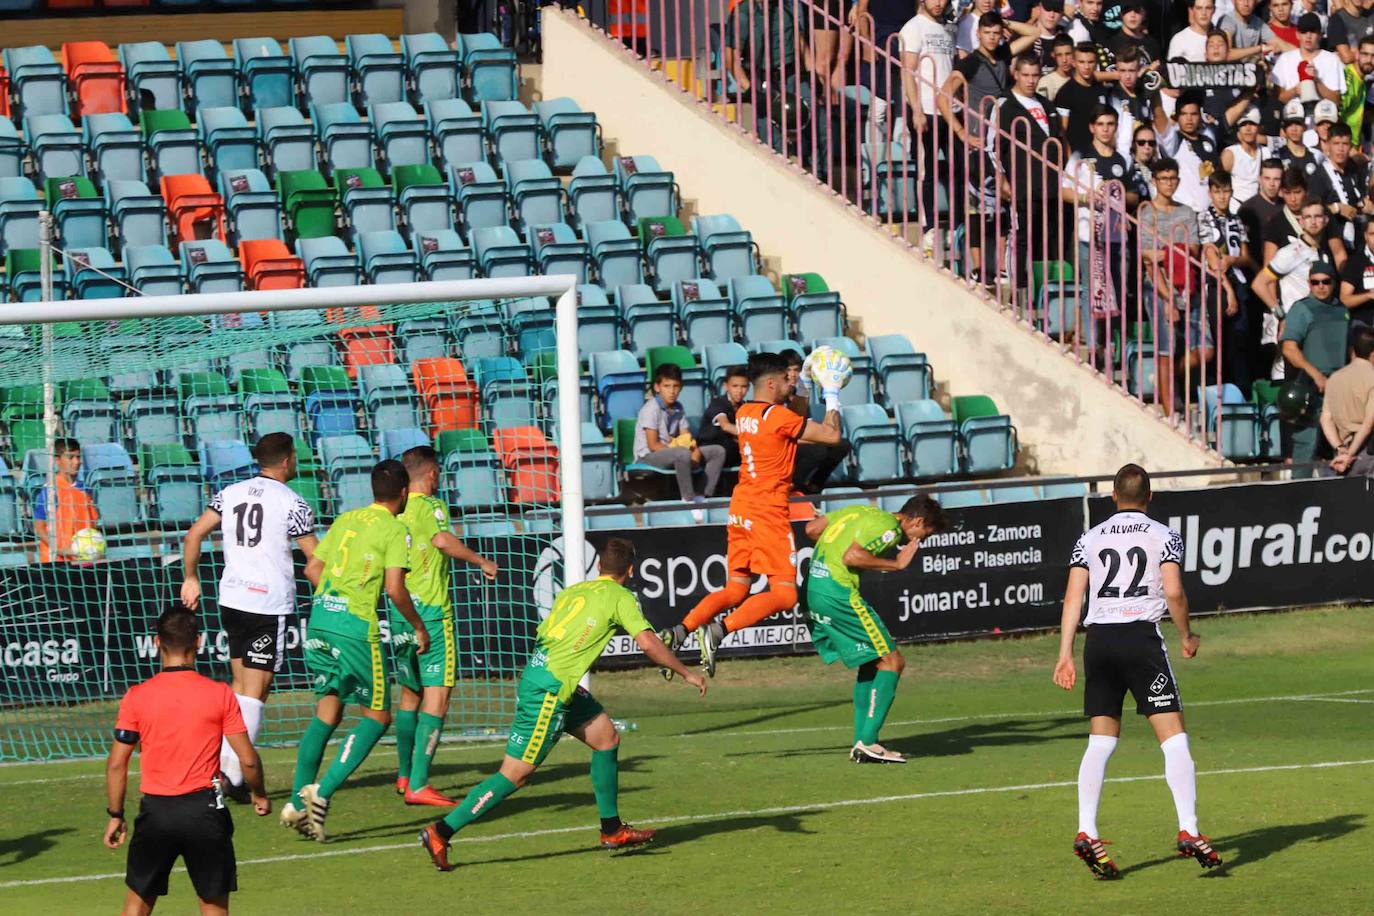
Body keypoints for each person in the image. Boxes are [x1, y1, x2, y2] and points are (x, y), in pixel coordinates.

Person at [418, 538, 706, 872]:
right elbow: (648, 643)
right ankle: (440, 831)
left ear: (598, 567)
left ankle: (612, 830)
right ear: (630, 570)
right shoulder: (621, 597)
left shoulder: (573, 591)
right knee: (514, 775)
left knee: (606, 738)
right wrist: (685, 672)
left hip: (549, 680)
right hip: (550, 691)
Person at [1053, 463, 1220, 880]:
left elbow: (1073, 598)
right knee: (1174, 738)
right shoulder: (1165, 536)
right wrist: (1186, 634)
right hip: (1140, 641)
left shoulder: (1088, 539)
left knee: (1100, 741)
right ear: (1150, 497)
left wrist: (1065, 654)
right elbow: (1174, 590)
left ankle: (1086, 830)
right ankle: (1189, 828)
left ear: (1112, 497)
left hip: (1099, 643)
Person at [661, 351, 843, 677]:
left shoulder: (745, 411)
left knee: (736, 589)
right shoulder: (778, 418)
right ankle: (718, 630)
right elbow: (831, 436)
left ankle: (681, 630)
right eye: (786, 379)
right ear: (771, 382)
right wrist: (831, 394)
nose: (792, 382)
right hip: (767, 510)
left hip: (741, 506)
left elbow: (793, 415)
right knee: (786, 594)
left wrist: (800, 389)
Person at [290, 459, 427, 842]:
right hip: (355, 630)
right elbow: (395, 589)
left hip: (319, 621)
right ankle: (321, 792)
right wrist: (417, 626)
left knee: (328, 710)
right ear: (403, 493)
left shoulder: (347, 518)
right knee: (377, 717)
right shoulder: (394, 529)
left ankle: (296, 803)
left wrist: (333, 602)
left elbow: (312, 569)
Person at [180, 432, 318, 803]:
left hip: (232, 598)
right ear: (288, 460)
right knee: (255, 694)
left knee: (242, 688)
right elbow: (315, 559)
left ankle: (229, 772)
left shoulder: (231, 492)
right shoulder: (293, 502)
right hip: (265, 604)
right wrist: (331, 595)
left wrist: (191, 578)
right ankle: (228, 775)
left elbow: (193, 535)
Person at [105, 606, 270, 916]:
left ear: (156, 642)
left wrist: (115, 813)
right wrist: (258, 793)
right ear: (199, 642)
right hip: (205, 811)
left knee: (137, 905)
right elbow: (247, 759)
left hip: (156, 812)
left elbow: (117, 764)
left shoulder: (136, 696)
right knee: (213, 907)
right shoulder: (220, 694)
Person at [390, 446, 498, 807]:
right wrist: (480, 559)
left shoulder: (394, 510)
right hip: (433, 614)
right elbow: (440, 539)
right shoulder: (431, 506)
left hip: (400, 611)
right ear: (432, 473)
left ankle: (404, 774)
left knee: (409, 693)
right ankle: (419, 783)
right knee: (437, 697)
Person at [803, 495, 946, 764]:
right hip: (838, 593)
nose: (919, 542)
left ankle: (862, 741)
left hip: (814, 588)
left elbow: (811, 529)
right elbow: (852, 556)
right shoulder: (890, 529)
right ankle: (868, 742)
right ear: (916, 520)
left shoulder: (858, 511)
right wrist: (897, 564)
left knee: (871, 662)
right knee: (893, 661)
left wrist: (838, 543)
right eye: (923, 535)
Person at [1137, 157, 1210, 412]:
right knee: (1166, 349)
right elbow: (1147, 256)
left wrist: (1167, 251)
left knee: (1205, 350)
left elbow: (1193, 249)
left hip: (1188, 284)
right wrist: (1174, 253)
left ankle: (1165, 380)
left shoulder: (1186, 212)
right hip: (1159, 285)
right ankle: (1169, 410)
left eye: (1173, 178)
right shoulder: (1147, 213)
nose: (1169, 184)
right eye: (1164, 179)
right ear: (1155, 181)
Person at [1280, 260, 1352, 475]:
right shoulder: (1302, 309)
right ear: (1309, 283)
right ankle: (1300, 492)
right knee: (1306, 441)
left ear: (1334, 283)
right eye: (1315, 282)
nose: (1320, 286)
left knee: (1343, 443)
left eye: (1326, 281)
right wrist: (1317, 376)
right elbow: (1289, 349)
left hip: (1340, 385)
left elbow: (1349, 348)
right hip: (1311, 386)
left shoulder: (1342, 310)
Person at [1254, 199, 1332, 380]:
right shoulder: (1292, 251)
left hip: (1316, 329)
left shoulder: (1323, 253)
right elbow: (1259, 283)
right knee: (1289, 382)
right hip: (1294, 329)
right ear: (1301, 221)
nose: (1313, 221)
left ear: (1326, 220)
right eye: (1308, 217)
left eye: (1318, 216)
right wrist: (1281, 314)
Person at [634, 363, 727, 515]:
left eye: (675, 386)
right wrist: (686, 451)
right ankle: (688, 500)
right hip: (648, 456)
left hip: (673, 451)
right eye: (667, 386)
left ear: (681, 387)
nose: (672, 391)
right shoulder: (650, 409)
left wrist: (695, 450)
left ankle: (701, 497)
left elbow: (686, 437)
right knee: (682, 453)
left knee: (717, 451)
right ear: (657, 387)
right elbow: (653, 445)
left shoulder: (679, 407)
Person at [899, 0, 956, 232]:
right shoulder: (913, 27)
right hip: (925, 111)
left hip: (949, 111)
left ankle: (956, 223)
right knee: (927, 171)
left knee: (957, 170)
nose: (939, 3)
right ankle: (928, 225)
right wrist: (916, 109)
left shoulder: (949, 28)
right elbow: (907, 72)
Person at [1200, 170, 1254, 388]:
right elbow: (1212, 260)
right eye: (1217, 192)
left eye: (1226, 191)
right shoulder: (1204, 217)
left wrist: (1232, 260)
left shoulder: (1236, 219)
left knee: (1241, 342)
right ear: (1210, 193)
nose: (1222, 196)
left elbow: (1246, 258)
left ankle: (1241, 392)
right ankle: (1217, 390)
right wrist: (1228, 289)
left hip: (1238, 281)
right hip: (1216, 284)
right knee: (1219, 339)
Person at [784, 349, 852, 492]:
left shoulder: (800, 396)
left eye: (796, 370)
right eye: (788, 370)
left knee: (842, 445)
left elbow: (806, 426)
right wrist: (819, 439)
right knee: (818, 450)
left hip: (799, 439)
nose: (792, 374)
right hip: (783, 443)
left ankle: (815, 484)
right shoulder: (778, 397)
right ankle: (793, 486)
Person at [33, 437, 99, 563]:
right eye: (70, 457)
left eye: (78, 457)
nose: (76, 462)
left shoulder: (84, 488)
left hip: (83, 558)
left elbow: (93, 523)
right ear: (57, 460)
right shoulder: (50, 490)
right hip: (57, 561)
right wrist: (58, 549)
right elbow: (39, 527)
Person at [1320, 324, 1374, 475]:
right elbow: (1369, 423)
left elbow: (1326, 418)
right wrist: (1350, 454)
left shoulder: (1334, 378)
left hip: (1343, 455)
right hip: (1367, 453)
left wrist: (1340, 449)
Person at [1154, 91, 1219, 212]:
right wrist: (1154, 95)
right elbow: (1160, 118)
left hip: (1208, 214)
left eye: (1193, 114)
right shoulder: (1174, 141)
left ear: (1200, 116)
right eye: (1184, 114)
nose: (1189, 119)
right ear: (1177, 116)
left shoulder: (1209, 141)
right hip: (1182, 213)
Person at [1055, 41, 1116, 154]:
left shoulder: (1101, 90)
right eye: (1082, 62)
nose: (1086, 67)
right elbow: (1063, 133)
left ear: (1096, 63)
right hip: (1078, 157)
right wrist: (1070, 163)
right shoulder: (1065, 93)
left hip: (1102, 155)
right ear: (1074, 63)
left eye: (1090, 62)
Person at [1272, 14, 1345, 106]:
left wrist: (1316, 81)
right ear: (1297, 34)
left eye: (1313, 31)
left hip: (1323, 114)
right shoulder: (1285, 59)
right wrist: (1294, 90)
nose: (1308, 36)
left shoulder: (1332, 60)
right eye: (1304, 31)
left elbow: (1336, 100)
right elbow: (1278, 99)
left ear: (1320, 35)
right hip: (1292, 114)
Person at [697, 364, 749, 470]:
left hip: (731, 448)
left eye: (743, 387)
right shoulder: (718, 403)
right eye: (735, 386)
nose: (739, 391)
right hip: (711, 446)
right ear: (726, 386)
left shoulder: (745, 406)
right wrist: (753, 434)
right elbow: (725, 426)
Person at [1220, 108, 1263, 203]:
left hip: (1258, 206)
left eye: (1252, 124)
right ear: (1238, 129)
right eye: (1243, 125)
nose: (1248, 129)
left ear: (1259, 127)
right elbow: (1219, 182)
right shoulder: (1230, 153)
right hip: (1236, 205)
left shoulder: (1266, 152)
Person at [1338, 218, 1374, 327]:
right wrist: (1369, 296)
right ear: (1366, 236)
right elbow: (1344, 300)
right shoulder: (1356, 262)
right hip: (1364, 323)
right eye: (1373, 234)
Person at [1039, 34, 1077, 98]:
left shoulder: (1079, 77)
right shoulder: (1046, 82)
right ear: (1053, 55)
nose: (1064, 60)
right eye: (1059, 55)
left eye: (1068, 54)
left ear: (1074, 53)